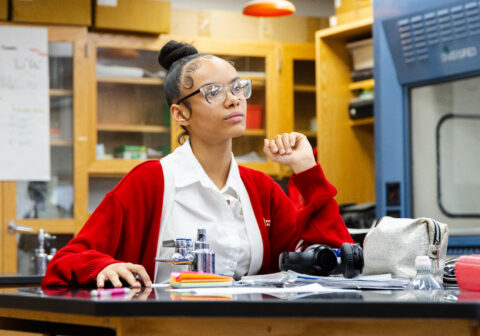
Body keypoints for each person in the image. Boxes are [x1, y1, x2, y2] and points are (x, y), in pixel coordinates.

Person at [42, 41, 353, 288]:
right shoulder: (151, 181)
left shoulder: (260, 189)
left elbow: (337, 262)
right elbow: (68, 260)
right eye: (213, 92)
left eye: (237, 87)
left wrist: (306, 171)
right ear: (181, 115)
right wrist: (107, 265)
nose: (233, 100)